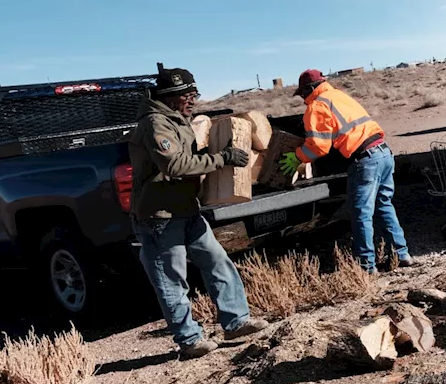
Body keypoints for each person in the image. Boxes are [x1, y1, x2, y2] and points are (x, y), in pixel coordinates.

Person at [128, 68, 269, 359]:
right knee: (171, 279)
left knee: (217, 260)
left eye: (194, 94)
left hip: (186, 209)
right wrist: (220, 159)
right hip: (160, 217)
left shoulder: (176, 120)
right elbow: (175, 166)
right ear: (170, 97)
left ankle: (236, 322)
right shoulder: (156, 124)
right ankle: (190, 340)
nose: (193, 100)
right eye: (187, 95)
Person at [279, 70, 414, 273]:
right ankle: (401, 255)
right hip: (384, 153)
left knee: (361, 213)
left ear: (309, 89)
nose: (303, 99)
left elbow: (318, 146)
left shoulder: (317, 105)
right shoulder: (339, 96)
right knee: (383, 205)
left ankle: (366, 267)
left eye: (302, 94)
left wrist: (298, 156)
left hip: (365, 160)